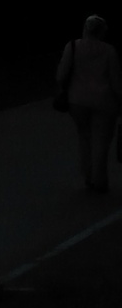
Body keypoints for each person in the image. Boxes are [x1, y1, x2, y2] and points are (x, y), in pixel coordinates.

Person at [56, 16, 122, 193]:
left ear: (85, 28)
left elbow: (61, 74)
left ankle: (88, 177)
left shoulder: (73, 47)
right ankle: (99, 181)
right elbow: (116, 81)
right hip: (104, 102)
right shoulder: (109, 51)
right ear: (102, 31)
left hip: (77, 101)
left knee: (84, 138)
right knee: (101, 140)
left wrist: (64, 88)